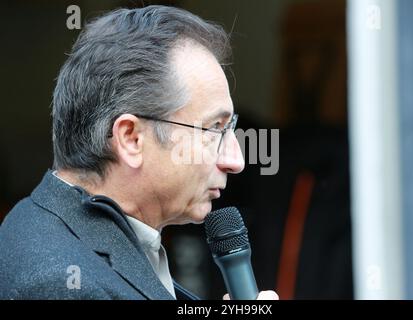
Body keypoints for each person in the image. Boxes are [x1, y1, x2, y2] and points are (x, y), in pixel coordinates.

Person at [0, 5, 278, 300]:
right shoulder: (61, 284)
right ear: (131, 139)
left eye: (230, 127)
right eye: (213, 129)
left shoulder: (60, 235)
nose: (236, 161)